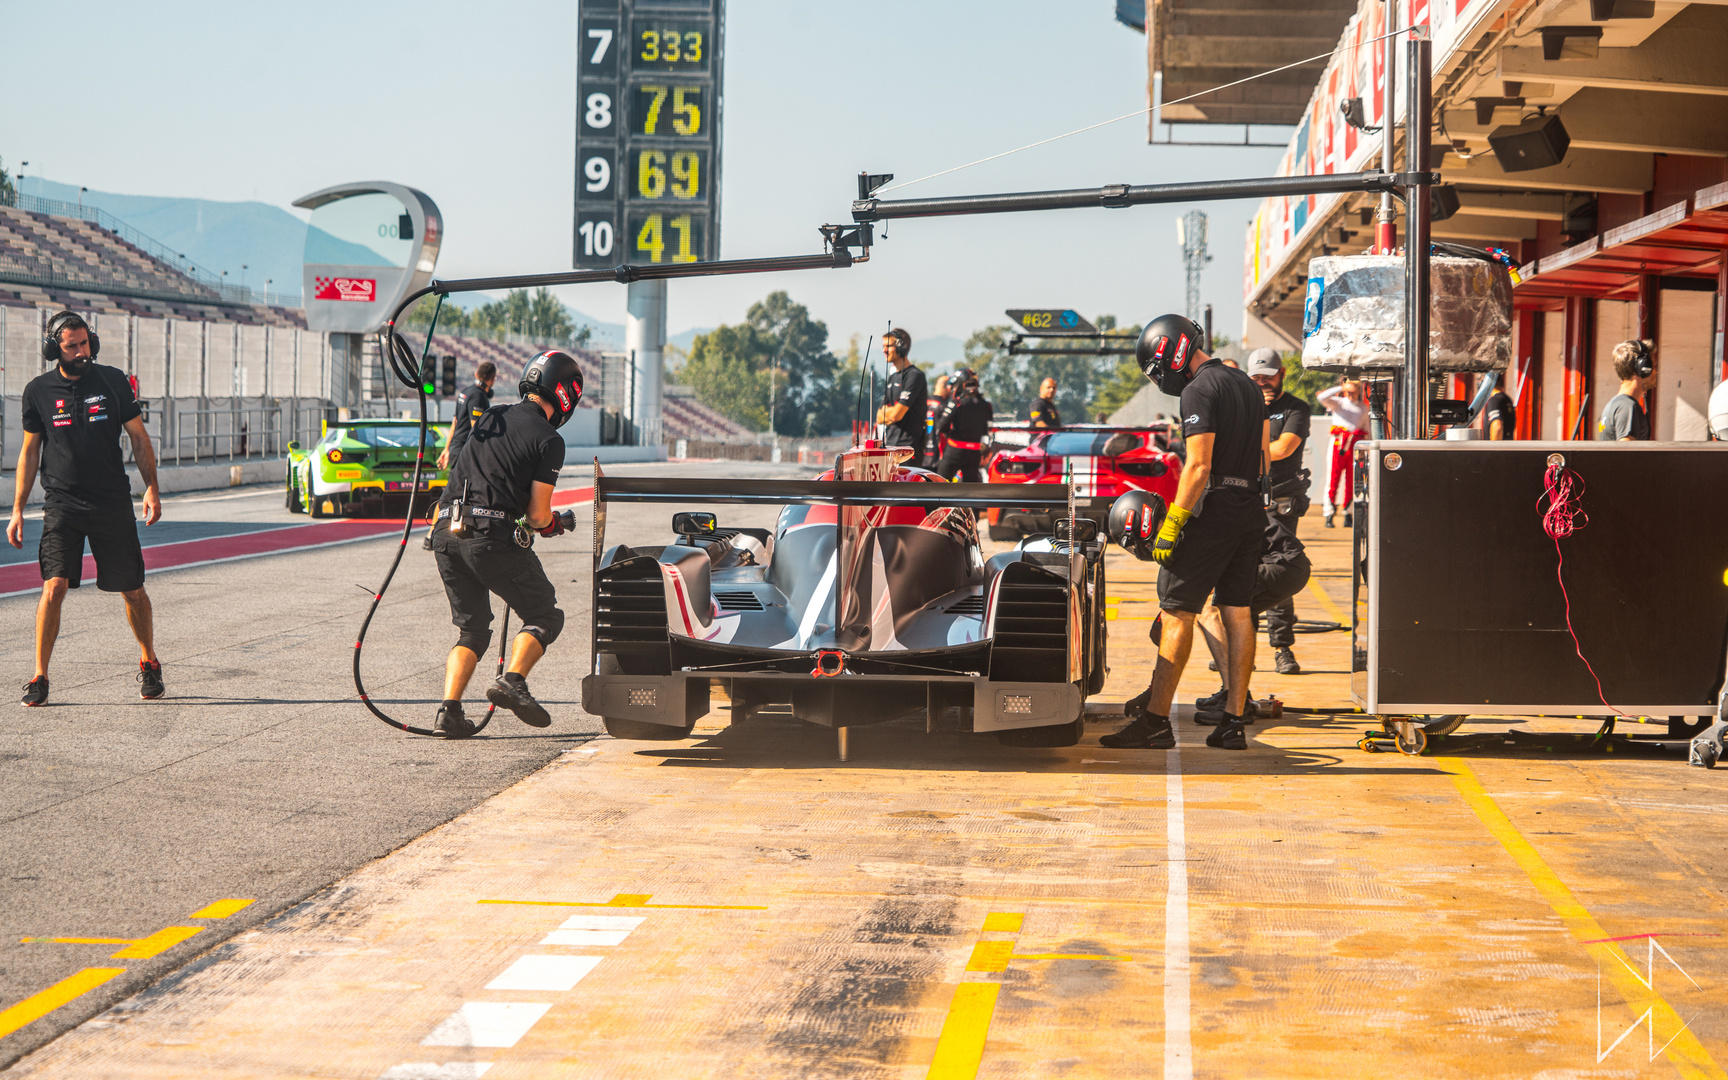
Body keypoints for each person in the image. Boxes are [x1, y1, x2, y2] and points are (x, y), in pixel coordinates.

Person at [1101, 313, 1270, 752]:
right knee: (1237, 612)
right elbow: (1264, 456)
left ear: (1168, 353)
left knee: (1177, 611)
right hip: (1251, 507)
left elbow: (1198, 465)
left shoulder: (1199, 389)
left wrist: (1173, 524)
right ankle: (1233, 721)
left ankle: (1155, 721)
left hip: (1213, 509)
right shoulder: (1247, 384)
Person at [8, 311, 164, 705]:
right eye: (72, 346)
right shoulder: (38, 391)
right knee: (54, 586)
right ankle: (40, 676)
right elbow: (29, 452)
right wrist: (17, 509)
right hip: (62, 503)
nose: (82, 352)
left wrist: (152, 489)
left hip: (111, 500)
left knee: (131, 590)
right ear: (53, 350)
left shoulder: (113, 382)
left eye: (85, 343)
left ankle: (149, 661)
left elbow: (139, 439)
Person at [428, 350, 585, 738]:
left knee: (473, 630)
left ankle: (449, 712)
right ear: (567, 393)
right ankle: (513, 680)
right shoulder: (550, 440)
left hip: (445, 533)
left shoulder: (493, 414)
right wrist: (552, 526)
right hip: (488, 538)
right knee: (544, 614)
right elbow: (536, 514)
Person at [1246, 347, 1309, 676]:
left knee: (1279, 573)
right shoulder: (1244, 408)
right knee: (1244, 573)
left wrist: (1242, 454)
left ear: (1281, 373)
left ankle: (1283, 647)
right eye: (1256, 378)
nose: (1263, 383)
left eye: (1268, 377)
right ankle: (1243, 648)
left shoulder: (1296, 409)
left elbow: (1284, 448)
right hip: (1246, 502)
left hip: (1281, 505)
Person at [1316, 379, 1367, 527]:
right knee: (1333, 479)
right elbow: (1321, 397)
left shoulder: (1363, 408)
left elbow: (1366, 428)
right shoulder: (1338, 403)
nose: (1350, 394)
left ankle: (1348, 513)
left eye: (1353, 391)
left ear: (1358, 391)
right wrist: (1341, 387)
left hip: (1354, 445)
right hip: (1338, 444)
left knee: (1352, 480)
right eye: (1348, 391)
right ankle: (1329, 513)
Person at [876, 329, 927, 463]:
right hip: (890, 446)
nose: (884, 350)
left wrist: (890, 413)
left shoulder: (915, 376)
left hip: (908, 450)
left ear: (901, 347)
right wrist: (891, 412)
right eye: (883, 346)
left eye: (888, 346)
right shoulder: (892, 377)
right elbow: (879, 417)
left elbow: (896, 415)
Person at [935, 372, 994, 482]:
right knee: (971, 488)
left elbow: (941, 426)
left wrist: (949, 434)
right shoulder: (986, 405)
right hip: (974, 452)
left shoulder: (957, 402)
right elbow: (988, 430)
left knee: (940, 483)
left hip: (955, 449)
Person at [438, 361, 496, 470]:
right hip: (465, 453)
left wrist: (447, 448)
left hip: (456, 449)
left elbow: (455, 422)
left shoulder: (466, 392)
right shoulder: (478, 396)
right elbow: (477, 428)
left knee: (455, 486)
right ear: (493, 379)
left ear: (476, 374)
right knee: (462, 487)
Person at [1597, 340, 1656, 441]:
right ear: (1643, 368)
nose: (1656, 372)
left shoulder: (1614, 405)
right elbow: (1626, 455)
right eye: (1654, 366)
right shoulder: (1628, 407)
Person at [922, 374, 950, 470]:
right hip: (936, 458)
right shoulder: (944, 407)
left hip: (922, 456)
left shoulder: (924, 403)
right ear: (946, 388)